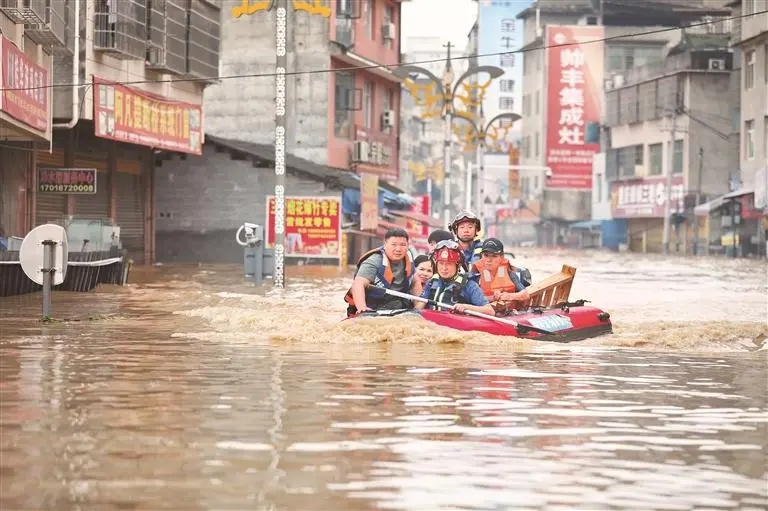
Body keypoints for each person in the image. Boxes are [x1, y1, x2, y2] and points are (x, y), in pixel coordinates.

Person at [344, 228, 416, 316]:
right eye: (394, 244)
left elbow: (415, 282)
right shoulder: (374, 261)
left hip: (399, 306)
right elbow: (358, 284)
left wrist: (419, 307)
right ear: (385, 244)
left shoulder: (409, 258)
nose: (398, 249)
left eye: (403, 245)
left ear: (408, 246)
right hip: (374, 307)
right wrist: (362, 308)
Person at [415, 240, 495, 316]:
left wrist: (466, 307)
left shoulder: (469, 285)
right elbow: (418, 307)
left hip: (454, 327)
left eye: (449, 264)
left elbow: (490, 311)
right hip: (431, 325)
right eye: (441, 263)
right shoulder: (431, 282)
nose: (444, 268)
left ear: (458, 266)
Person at [470, 237, 532, 312]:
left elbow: (525, 295)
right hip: (485, 312)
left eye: (494, 256)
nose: (489, 260)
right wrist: (493, 298)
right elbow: (471, 298)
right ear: (481, 255)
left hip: (509, 312)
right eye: (486, 255)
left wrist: (508, 296)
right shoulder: (475, 273)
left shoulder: (509, 272)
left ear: (501, 257)